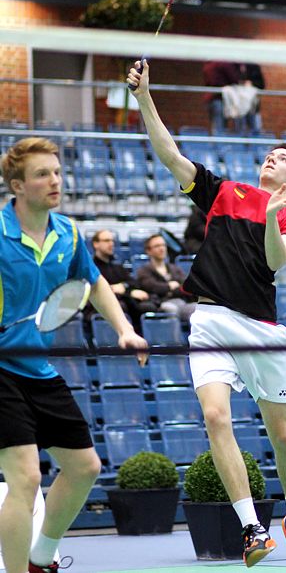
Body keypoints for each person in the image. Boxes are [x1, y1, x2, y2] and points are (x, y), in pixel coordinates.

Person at [127, 60, 286, 572]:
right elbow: (171, 156)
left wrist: (275, 213)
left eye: (283, 158)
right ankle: (251, 525)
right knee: (214, 416)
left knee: (283, 438)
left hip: (261, 329)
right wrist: (146, 97)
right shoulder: (226, 192)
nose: (272, 157)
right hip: (209, 320)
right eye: (270, 152)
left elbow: (276, 262)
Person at [0, 138, 148, 573]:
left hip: (37, 368)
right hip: (0, 370)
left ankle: (40, 559)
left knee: (84, 467)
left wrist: (125, 330)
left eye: (58, 172)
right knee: (25, 478)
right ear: (18, 186)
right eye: (42, 174)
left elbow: (94, 282)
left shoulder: (67, 232)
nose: (55, 181)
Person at [89, 229, 158, 333]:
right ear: (96, 244)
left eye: (112, 241)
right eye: (107, 240)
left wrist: (124, 287)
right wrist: (116, 289)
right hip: (99, 306)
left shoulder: (117, 266)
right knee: (121, 306)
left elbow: (133, 283)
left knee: (148, 306)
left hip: (125, 300)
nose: (111, 244)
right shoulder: (91, 267)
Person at [136, 234, 197, 322]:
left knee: (197, 308)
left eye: (163, 245)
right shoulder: (143, 271)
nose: (162, 248)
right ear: (148, 251)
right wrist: (170, 286)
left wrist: (170, 291)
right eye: (157, 246)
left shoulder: (175, 268)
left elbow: (185, 285)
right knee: (170, 309)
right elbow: (152, 287)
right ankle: (173, 336)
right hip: (161, 304)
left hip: (182, 302)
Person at [202, 61, 240, 134]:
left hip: (210, 98)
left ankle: (217, 142)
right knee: (220, 127)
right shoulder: (223, 63)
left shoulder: (207, 65)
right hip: (220, 98)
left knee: (215, 126)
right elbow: (234, 78)